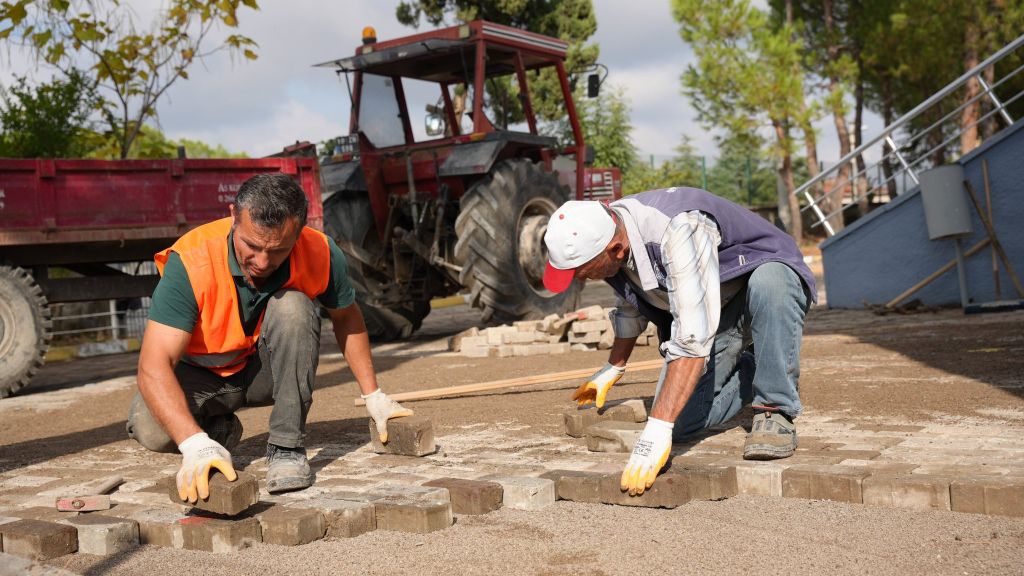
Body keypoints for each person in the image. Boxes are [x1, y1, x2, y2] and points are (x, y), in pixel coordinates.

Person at [127, 173, 413, 503]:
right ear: (233, 216)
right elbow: (154, 365)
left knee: (294, 307)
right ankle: (216, 430)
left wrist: (373, 395)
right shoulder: (192, 259)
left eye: (278, 250)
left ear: (299, 231)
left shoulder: (320, 250)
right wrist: (194, 443)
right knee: (150, 428)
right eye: (252, 246)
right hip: (204, 378)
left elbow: (347, 318)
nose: (262, 262)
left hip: (264, 373)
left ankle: (286, 448)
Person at [542, 187, 815, 497]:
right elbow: (631, 304)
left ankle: (775, 407)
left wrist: (656, 429)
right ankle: (755, 369)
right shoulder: (610, 227)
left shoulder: (679, 228)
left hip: (765, 277)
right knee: (682, 424)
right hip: (719, 307)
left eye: (580, 271)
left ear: (615, 249)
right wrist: (613, 367)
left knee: (771, 281)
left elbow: (691, 339)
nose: (578, 278)